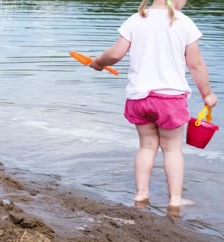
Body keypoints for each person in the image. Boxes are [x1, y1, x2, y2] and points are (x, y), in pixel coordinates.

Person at [89, 0, 218, 212]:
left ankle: (141, 194)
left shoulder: (137, 18)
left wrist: (98, 63)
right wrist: (208, 94)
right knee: (172, 149)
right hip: (170, 100)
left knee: (146, 146)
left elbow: (115, 54)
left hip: (139, 99)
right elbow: (196, 64)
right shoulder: (184, 23)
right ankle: (175, 201)